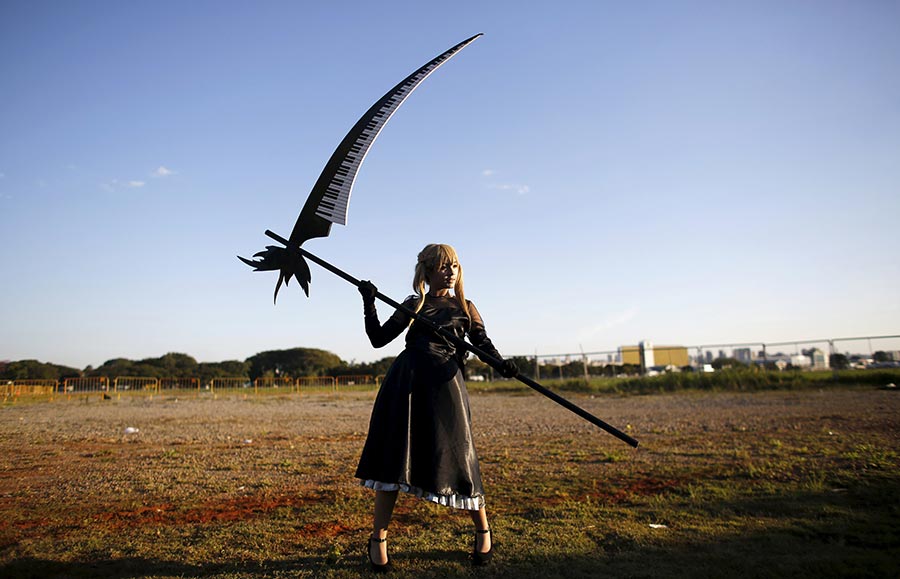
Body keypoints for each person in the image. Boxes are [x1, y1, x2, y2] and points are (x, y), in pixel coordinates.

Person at [355, 243, 518, 572]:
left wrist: (501, 364)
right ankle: (378, 540)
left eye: (454, 265)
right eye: (443, 265)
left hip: (447, 386)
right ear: (427, 271)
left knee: (463, 457)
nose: (450, 270)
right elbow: (378, 338)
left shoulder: (465, 306)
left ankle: (483, 531)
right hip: (407, 384)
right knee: (394, 461)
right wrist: (368, 301)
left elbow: (482, 343)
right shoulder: (415, 304)